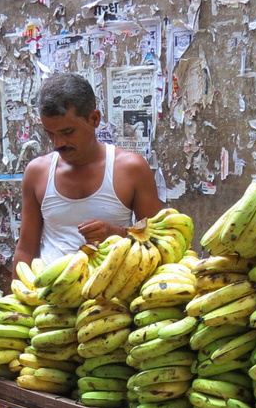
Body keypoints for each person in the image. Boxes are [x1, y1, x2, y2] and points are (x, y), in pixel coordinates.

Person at [11, 73, 162, 269]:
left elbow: (157, 243)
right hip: (51, 292)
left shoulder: (131, 169)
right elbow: (25, 250)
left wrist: (116, 233)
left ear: (94, 119)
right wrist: (17, 297)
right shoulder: (37, 172)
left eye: (68, 132)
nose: (59, 143)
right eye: (50, 134)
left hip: (112, 294)